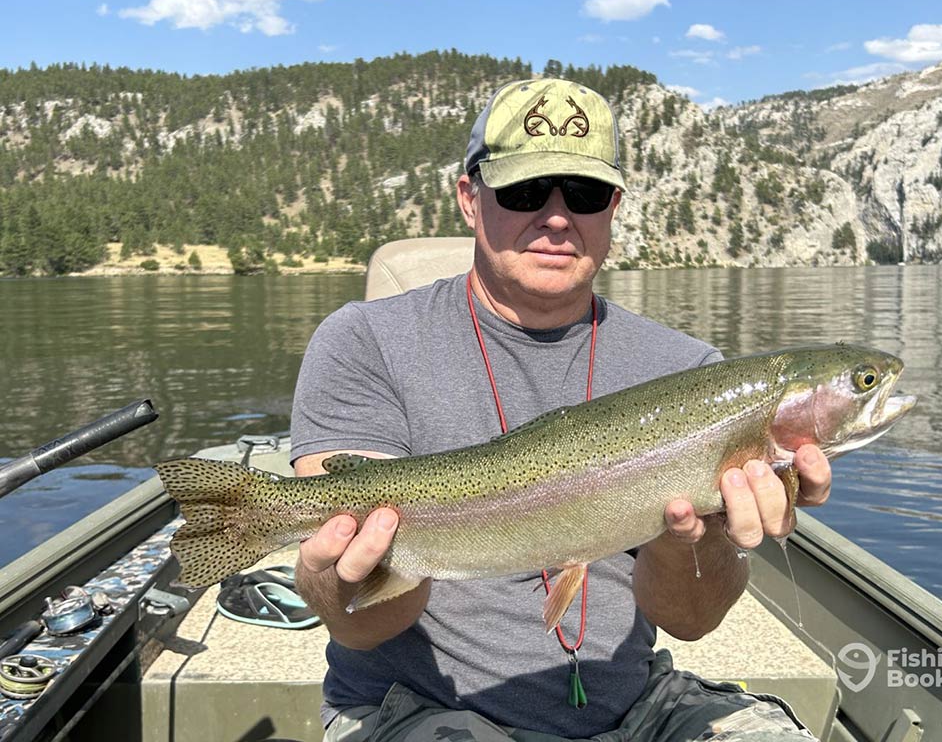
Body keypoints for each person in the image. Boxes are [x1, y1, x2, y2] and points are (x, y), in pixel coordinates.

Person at [290, 77, 832, 742]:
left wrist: (695, 537)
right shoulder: (364, 342)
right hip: (420, 707)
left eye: (583, 193)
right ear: (469, 197)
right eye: (523, 191)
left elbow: (690, 621)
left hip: (639, 709)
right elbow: (358, 619)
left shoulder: (690, 371)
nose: (555, 216)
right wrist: (345, 575)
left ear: (613, 206)